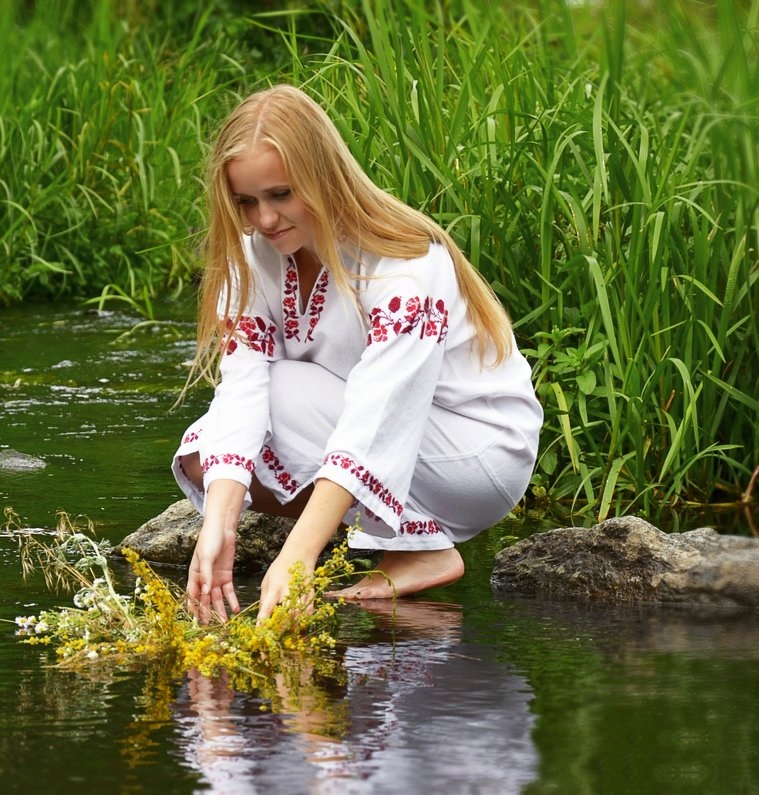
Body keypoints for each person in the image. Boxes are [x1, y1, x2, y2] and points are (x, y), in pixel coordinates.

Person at [173, 84, 542, 623]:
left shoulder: (406, 259)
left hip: (476, 452)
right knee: (206, 456)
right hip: (393, 439)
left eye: (281, 194)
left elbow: (381, 409)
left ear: (323, 175)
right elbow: (241, 386)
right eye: (246, 201)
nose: (265, 219)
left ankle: (406, 543)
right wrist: (217, 530)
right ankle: (422, 550)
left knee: (281, 394)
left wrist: (296, 554)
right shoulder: (253, 255)